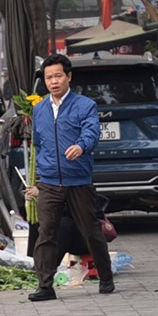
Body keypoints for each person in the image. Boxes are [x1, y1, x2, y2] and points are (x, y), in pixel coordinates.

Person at [26, 53, 113, 301]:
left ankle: (106, 277)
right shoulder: (39, 108)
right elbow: (39, 143)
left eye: (58, 76)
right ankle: (45, 285)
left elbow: (92, 132)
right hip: (50, 181)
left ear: (69, 77)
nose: (53, 81)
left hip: (79, 180)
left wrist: (81, 146)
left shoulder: (85, 105)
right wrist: (42, 172)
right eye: (48, 77)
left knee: (90, 231)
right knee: (46, 233)